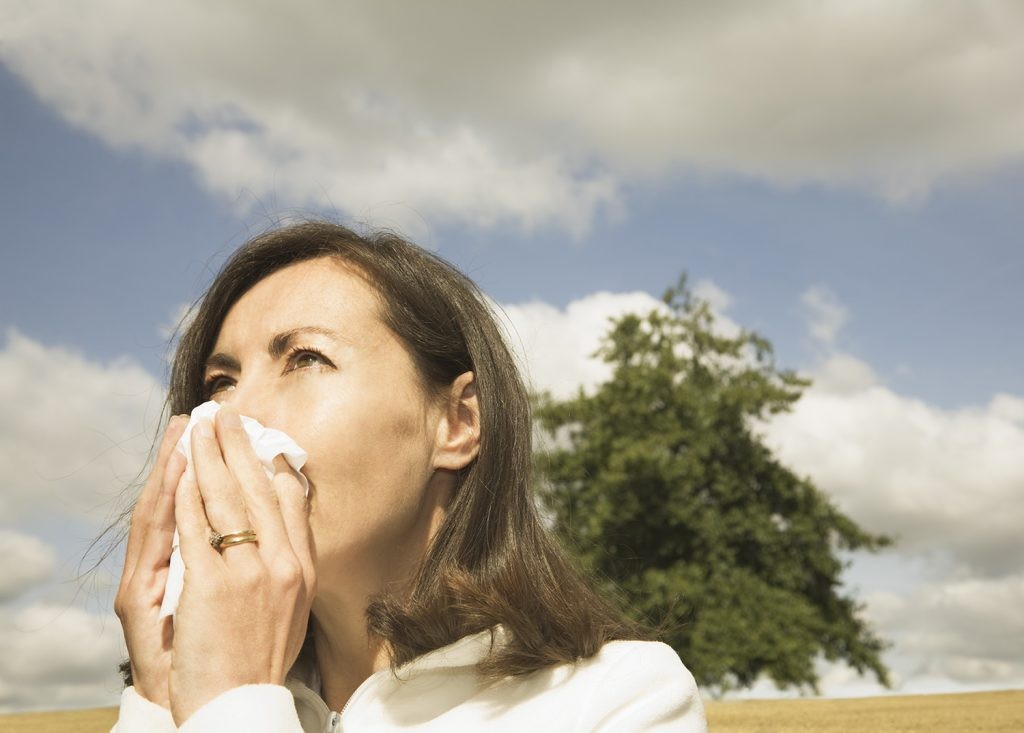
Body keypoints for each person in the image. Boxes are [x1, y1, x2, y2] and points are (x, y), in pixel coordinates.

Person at [111, 220, 708, 732]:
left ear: (457, 422)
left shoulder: (617, 697)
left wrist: (232, 704)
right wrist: (162, 701)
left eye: (305, 359)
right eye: (221, 381)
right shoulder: (176, 701)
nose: (232, 414)